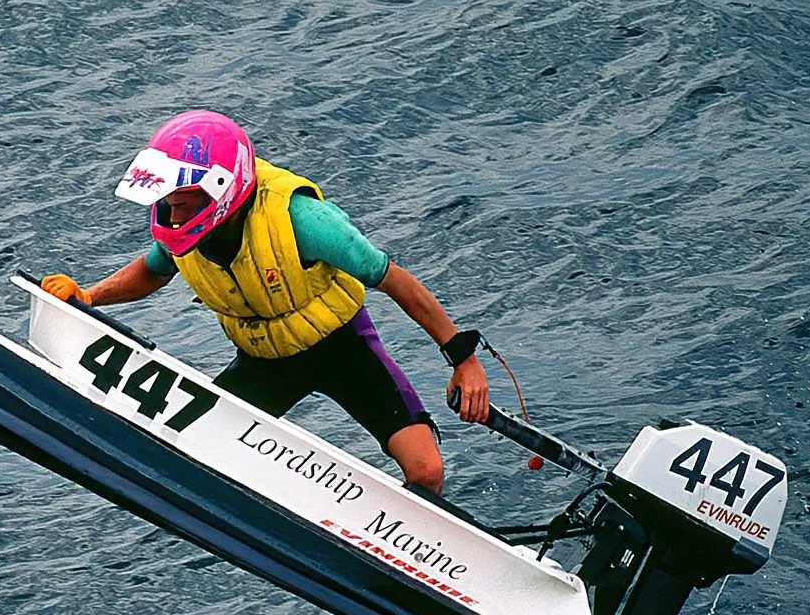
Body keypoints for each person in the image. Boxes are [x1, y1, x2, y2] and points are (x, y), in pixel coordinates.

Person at [41, 110, 489, 495]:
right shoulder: (183, 232)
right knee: (192, 453)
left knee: (426, 470)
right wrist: (88, 296)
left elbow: (395, 281)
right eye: (167, 203)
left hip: (342, 349)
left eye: (183, 203)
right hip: (263, 361)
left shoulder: (303, 220)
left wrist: (462, 358)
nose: (173, 216)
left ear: (221, 189)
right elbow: (151, 270)